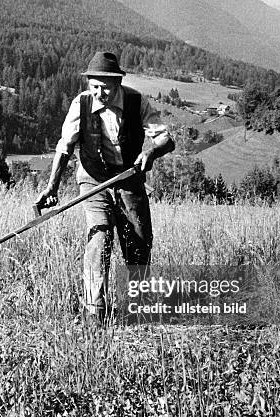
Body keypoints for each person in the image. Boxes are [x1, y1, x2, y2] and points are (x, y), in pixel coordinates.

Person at [35, 52, 175, 326]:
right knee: (100, 238)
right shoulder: (82, 104)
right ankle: (95, 312)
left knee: (138, 241)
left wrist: (152, 153)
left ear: (119, 82)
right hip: (93, 178)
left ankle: (140, 308)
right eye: (94, 86)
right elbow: (65, 146)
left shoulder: (136, 102)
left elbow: (166, 140)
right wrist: (52, 187)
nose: (99, 92)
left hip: (129, 178)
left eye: (105, 87)